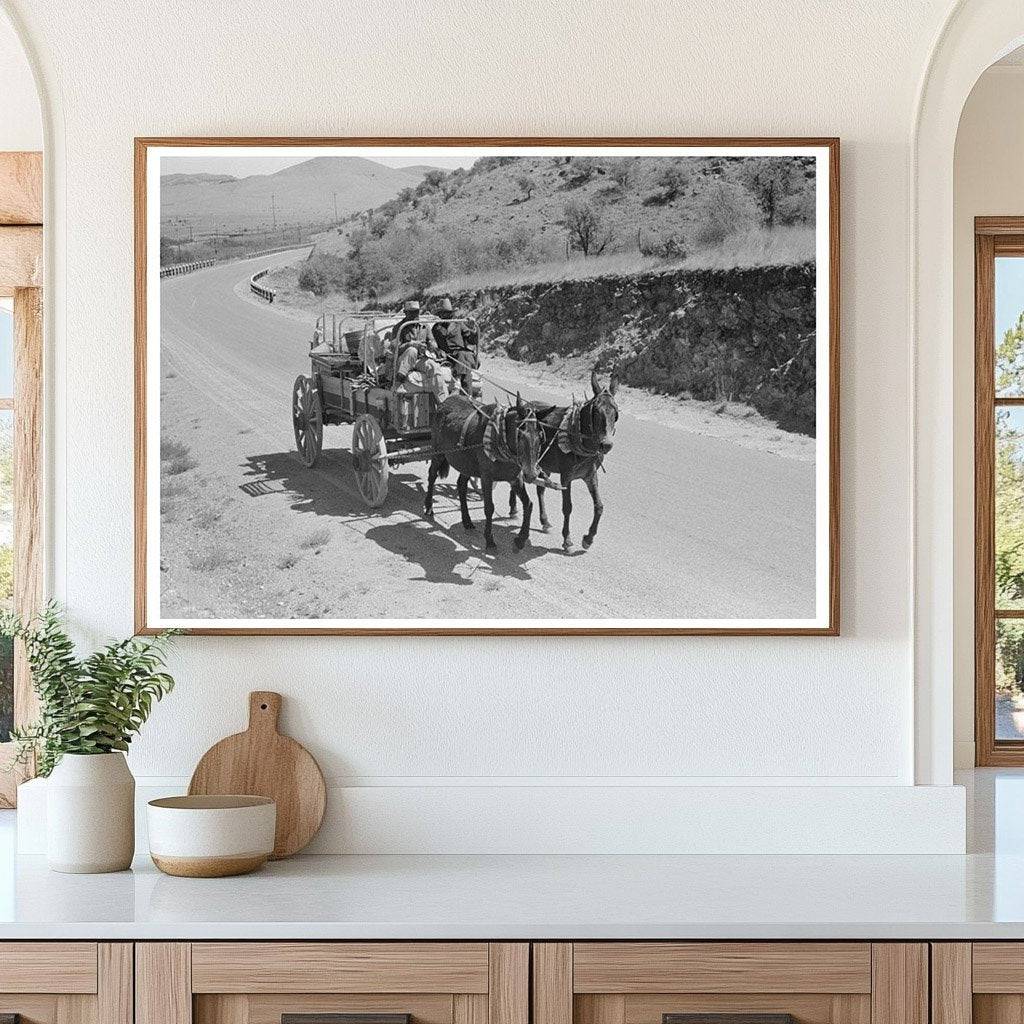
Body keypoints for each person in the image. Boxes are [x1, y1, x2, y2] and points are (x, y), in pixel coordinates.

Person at [431, 297, 478, 393]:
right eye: (442, 313)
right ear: (440, 315)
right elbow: (434, 344)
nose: (445, 316)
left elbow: (472, 340)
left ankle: (459, 384)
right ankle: (464, 391)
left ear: (451, 314)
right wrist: (438, 351)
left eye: (447, 313)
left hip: (462, 354)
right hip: (447, 356)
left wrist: (472, 329)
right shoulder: (436, 328)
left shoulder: (459, 324)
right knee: (463, 358)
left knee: (464, 356)